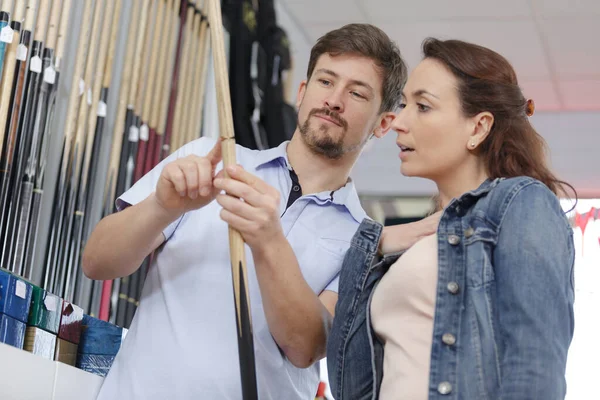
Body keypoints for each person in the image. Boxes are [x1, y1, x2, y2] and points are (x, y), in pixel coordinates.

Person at [82, 23, 438, 400]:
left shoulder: (364, 240)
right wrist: (162, 207)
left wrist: (269, 239)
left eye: (357, 93)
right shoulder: (211, 160)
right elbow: (96, 263)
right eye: (326, 81)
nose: (335, 100)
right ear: (302, 93)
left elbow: (307, 346)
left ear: (383, 123)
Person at [327, 37, 575, 400]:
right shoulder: (410, 244)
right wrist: (374, 245)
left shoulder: (521, 203)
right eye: (404, 104)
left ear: (478, 127)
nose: (399, 121)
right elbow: (350, 385)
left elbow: (534, 367)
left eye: (423, 107)